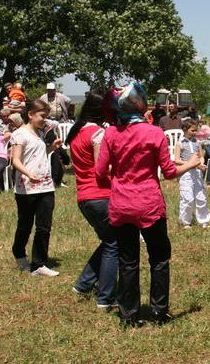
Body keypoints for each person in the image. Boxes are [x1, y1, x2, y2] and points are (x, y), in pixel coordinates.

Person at [95, 83, 201, 327]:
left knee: (127, 260)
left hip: (121, 205)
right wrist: (192, 164)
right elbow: (169, 172)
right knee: (159, 258)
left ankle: (129, 313)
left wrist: (119, 174)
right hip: (150, 204)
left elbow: (100, 172)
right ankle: (159, 310)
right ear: (142, 104)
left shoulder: (111, 134)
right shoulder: (154, 133)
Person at [66, 92, 118, 309]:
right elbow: (101, 170)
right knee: (114, 244)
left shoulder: (76, 133)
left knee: (108, 242)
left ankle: (83, 284)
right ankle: (105, 298)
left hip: (84, 197)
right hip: (100, 195)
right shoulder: (97, 133)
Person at [10, 99, 63, 276]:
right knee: (25, 225)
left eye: (46, 116)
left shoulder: (39, 133)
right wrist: (27, 173)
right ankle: (19, 253)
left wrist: (51, 148)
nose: (44, 120)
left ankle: (39, 264)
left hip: (46, 186)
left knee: (44, 226)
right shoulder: (19, 134)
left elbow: (37, 154)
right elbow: (15, 160)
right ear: (30, 114)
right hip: (27, 188)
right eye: (42, 116)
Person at [175, 119, 210, 229]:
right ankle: (185, 221)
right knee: (187, 198)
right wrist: (190, 164)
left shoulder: (197, 142)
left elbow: (201, 156)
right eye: (192, 130)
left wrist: (201, 163)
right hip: (186, 173)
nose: (195, 132)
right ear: (185, 129)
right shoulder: (180, 143)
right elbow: (176, 160)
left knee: (201, 197)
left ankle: (203, 220)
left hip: (197, 172)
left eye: (196, 130)